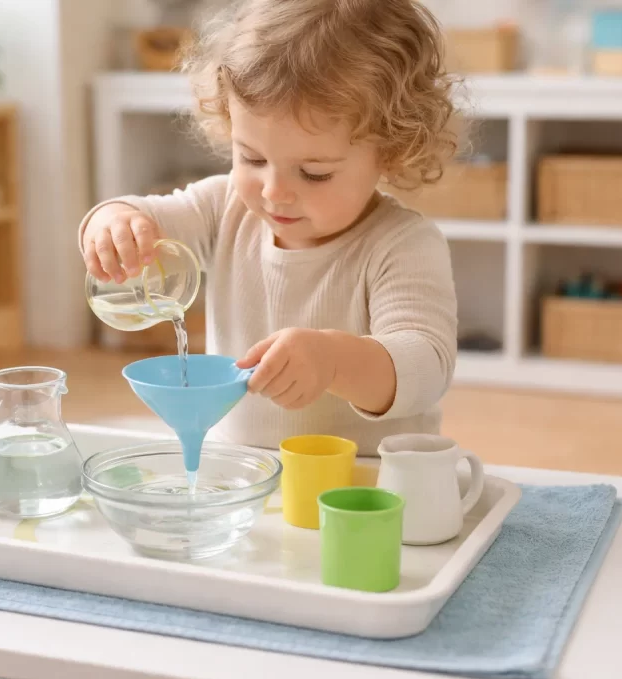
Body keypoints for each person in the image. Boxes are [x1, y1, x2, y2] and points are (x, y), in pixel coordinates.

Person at [78, 0, 460, 456]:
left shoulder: (401, 244)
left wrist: (334, 361)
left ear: (392, 151)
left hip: (364, 493)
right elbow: (147, 215)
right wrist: (112, 222)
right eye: (253, 158)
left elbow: (425, 365)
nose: (274, 191)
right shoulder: (224, 207)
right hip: (243, 471)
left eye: (314, 172)